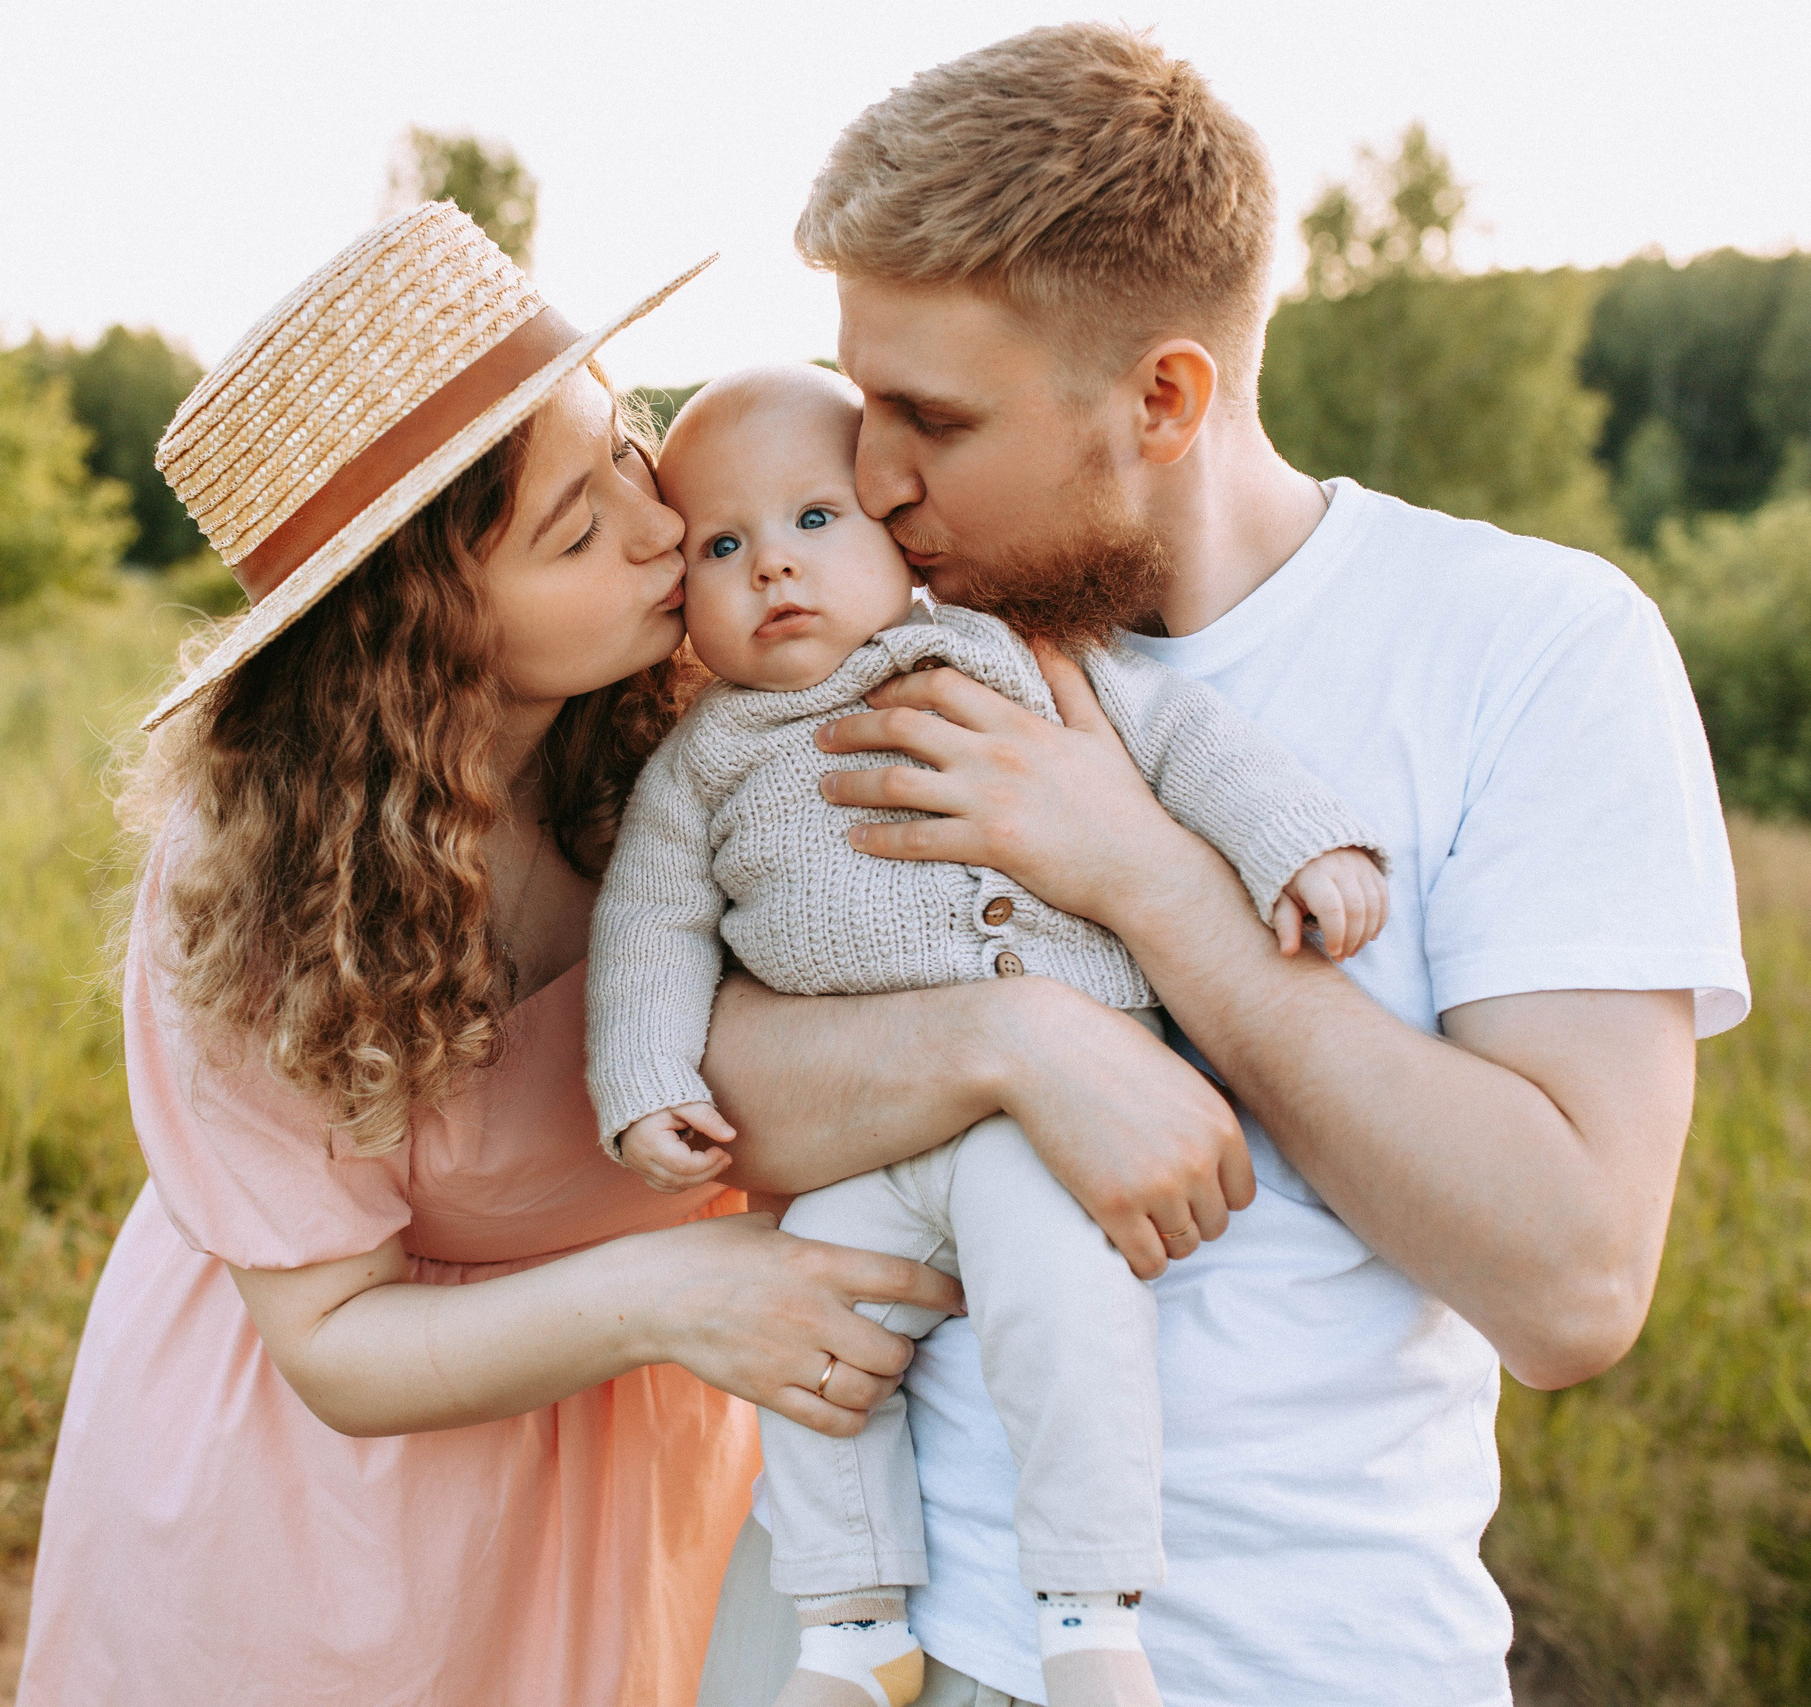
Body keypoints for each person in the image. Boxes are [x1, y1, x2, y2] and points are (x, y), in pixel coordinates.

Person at [696, 25, 1748, 1707]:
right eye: (859, 398)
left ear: (1167, 398)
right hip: (873, 1643)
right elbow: (711, 1091)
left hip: (1301, 1670)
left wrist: (1155, 887)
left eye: (934, 418)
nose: (871, 477)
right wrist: (1016, 1044)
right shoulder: (884, 640)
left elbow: (1571, 1282)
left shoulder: (1530, 649)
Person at [13, 205, 967, 1707]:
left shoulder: (700, 731)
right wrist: (675, 1296)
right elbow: (330, 1343)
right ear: (424, 628)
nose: (664, 532)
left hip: (629, 1459)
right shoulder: (267, 881)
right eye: (582, 527)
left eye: (627, 460)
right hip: (319, 1505)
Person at [585, 363, 1386, 1707]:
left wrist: (1294, 844)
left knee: (1066, 1311)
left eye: (814, 520)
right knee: (814, 1350)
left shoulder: (1000, 651)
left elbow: (1185, 741)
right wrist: (646, 1077)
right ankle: (850, 1627)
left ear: (901, 538)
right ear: (687, 598)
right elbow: (648, 933)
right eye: (724, 546)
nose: (772, 567)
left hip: (1038, 1127)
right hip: (865, 1131)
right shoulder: (706, 758)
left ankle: (1088, 1606)